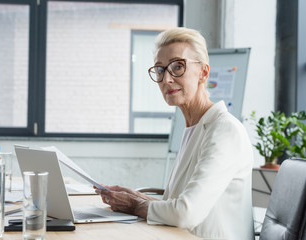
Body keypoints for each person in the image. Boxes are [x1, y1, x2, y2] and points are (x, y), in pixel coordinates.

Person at [96, 27, 254, 240]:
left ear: (204, 72)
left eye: (178, 66)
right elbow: (177, 204)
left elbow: (185, 213)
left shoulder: (225, 130)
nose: (166, 79)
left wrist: (134, 205)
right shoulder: (194, 127)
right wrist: (132, 196)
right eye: (160, 70)